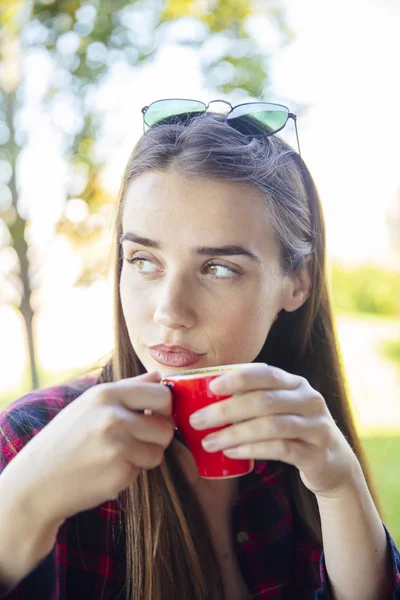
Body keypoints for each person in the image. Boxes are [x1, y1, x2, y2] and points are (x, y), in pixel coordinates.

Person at [0, 98, 399, 600]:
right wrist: (22, 506)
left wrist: (341, 487)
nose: (170, 310)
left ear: (296, 282)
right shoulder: (29, 438)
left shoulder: (295, 449)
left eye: (218, 268)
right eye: (143, 259)